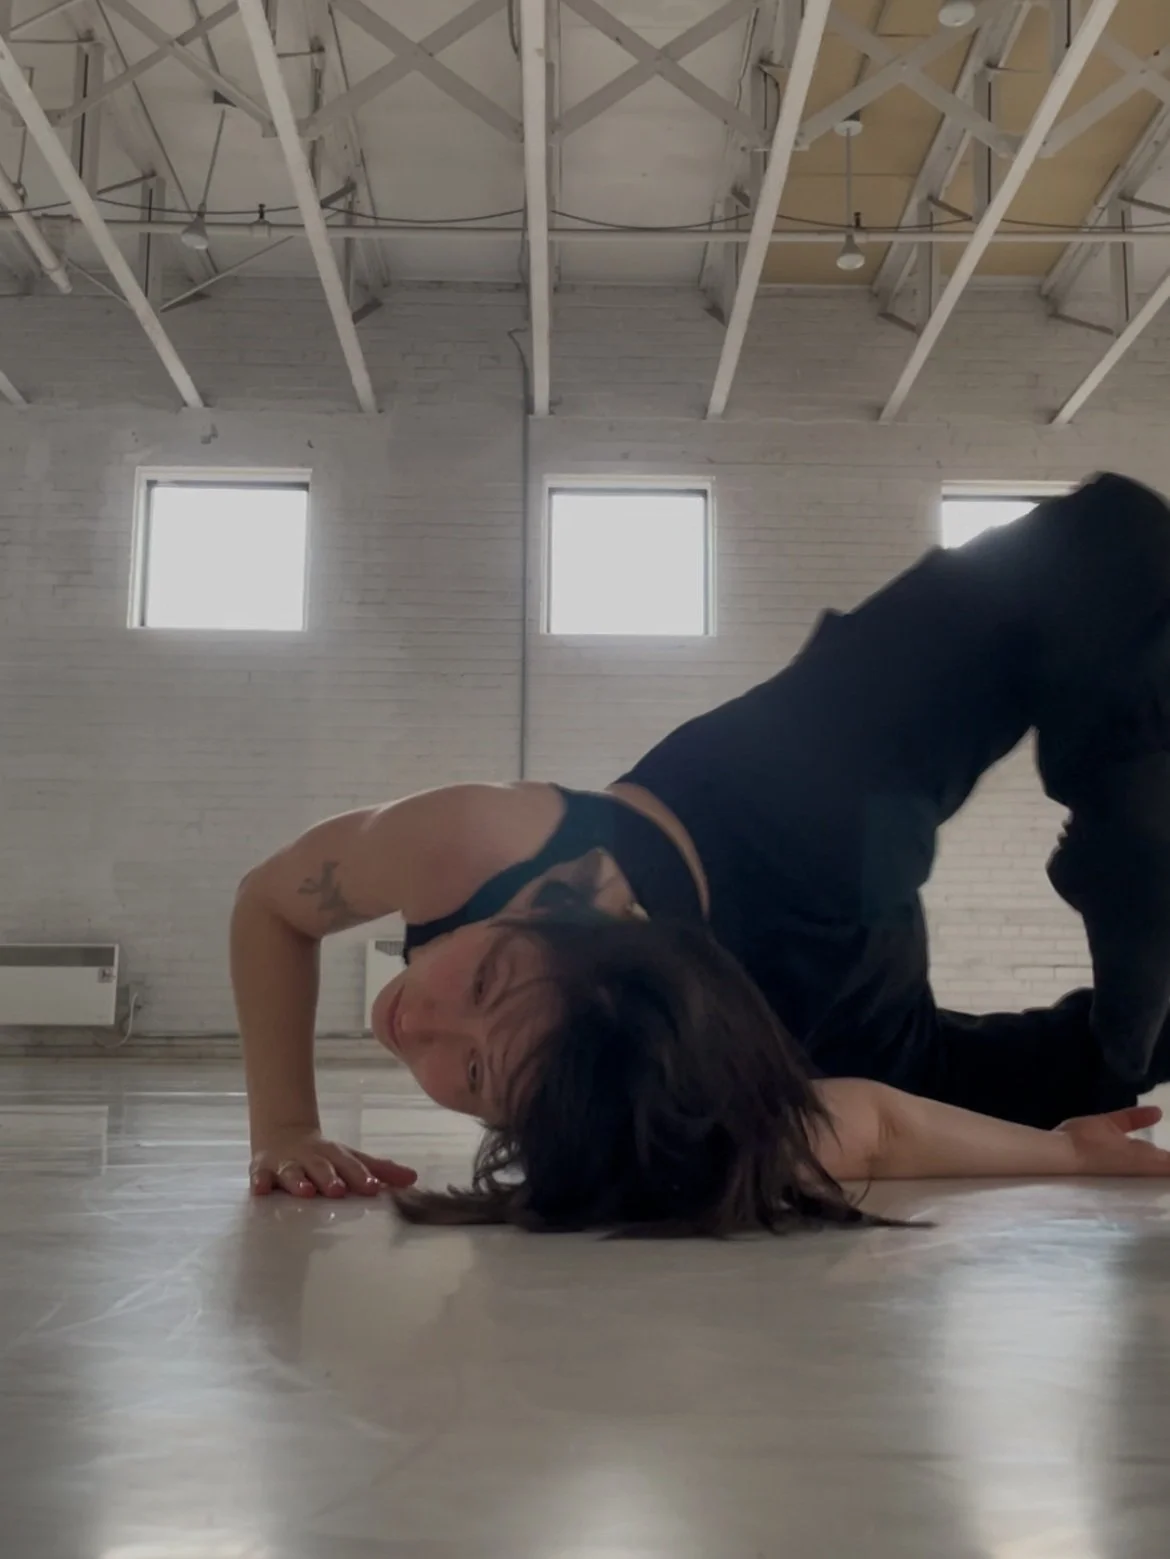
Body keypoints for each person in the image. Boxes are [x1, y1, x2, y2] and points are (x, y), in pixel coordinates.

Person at [231, 471, 1170, 1234]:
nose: (421, 1025)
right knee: (1109, 1062)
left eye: (484, 981)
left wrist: (283, 1124)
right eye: (479, 1076)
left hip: (796, 806)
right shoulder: (634, 1122)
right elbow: (880, 1126)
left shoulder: (470, 841)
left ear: (552, 902)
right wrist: (1069, 1151)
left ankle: (1146, 866)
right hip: (833, 1020)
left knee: (1103, 542)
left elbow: (269, 904)